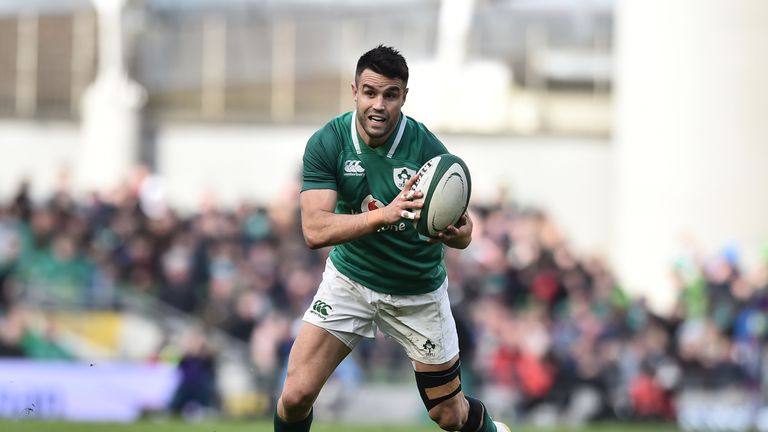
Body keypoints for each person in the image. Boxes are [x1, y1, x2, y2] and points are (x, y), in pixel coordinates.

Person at [274, 45, 510, 432]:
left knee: (449, 416)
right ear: (354, 91)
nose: (378, 104)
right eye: (370, 92)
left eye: (390, 94)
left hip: (416, 292)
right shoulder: (328, 143)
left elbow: (464, 233)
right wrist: (384, 215)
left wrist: (459, 232)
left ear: (404, 96)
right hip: (350, 281)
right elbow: (314, 231)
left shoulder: (427, 150)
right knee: (295, 395)